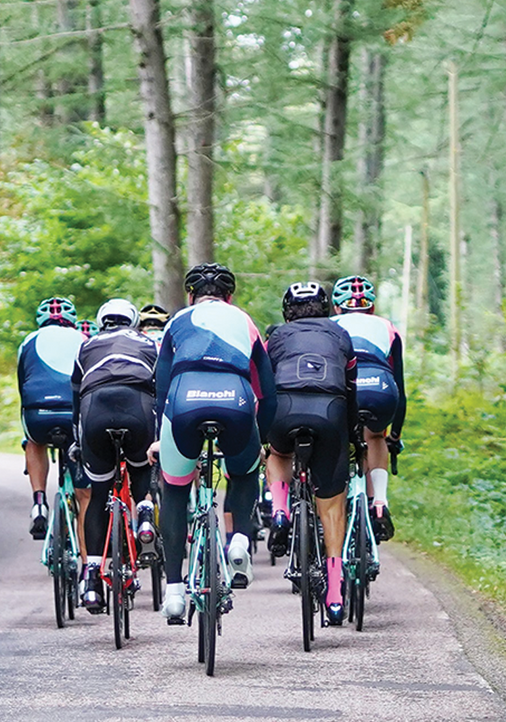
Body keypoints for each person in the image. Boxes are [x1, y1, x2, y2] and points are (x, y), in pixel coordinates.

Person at [153, 262, 275, 624]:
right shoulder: (245, 322)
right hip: (234, 401)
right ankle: (238, 541)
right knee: (243, 472)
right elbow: (266, 392)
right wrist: (262, 439)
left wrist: (162, 434)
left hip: (184, 403)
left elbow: (160, 386)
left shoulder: (177, 322)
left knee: (174, 490)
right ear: (229, 296)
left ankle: (174, 592)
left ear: (191, 296)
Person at [264, 281, 358, 626]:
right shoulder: (340, 334)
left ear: (287, 312)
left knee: (277, 453)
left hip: (285, 406)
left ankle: (279, 510)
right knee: (332, 505)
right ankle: (334, 595)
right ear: (328, 308)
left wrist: (262, 431)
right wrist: (350, 437)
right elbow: (351, 389)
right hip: (330, 408)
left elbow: (261, 382)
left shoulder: (275, 337)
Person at [71, 298, 158, 612]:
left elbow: (75, 397)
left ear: (101, 320)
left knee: (97, 494)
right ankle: (145, 513)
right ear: (133, 320)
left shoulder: (87, 345)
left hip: (95, 408)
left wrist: (77, 441)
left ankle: (92, 579)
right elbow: (160, 391)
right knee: (141, 470)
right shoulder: (148, 343)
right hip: (138, 406)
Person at [331, 274, 406, 542]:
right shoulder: (388, 327)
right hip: (380, 387)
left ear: (337, 307)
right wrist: (394, 435)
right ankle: (379, 503)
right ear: (371, 307)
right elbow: (400, 385)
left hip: (342, 387)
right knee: (376, 436)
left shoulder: (329, 325)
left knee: (335, 439)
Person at [17, 296, 88, 539]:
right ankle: (87, 566)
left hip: (38, 415)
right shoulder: (84, 340)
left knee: (33, 440)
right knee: (85, 496)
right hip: (74, 417)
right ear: (72, 320)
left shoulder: (28, 341)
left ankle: (39, 501)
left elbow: (21, 386)